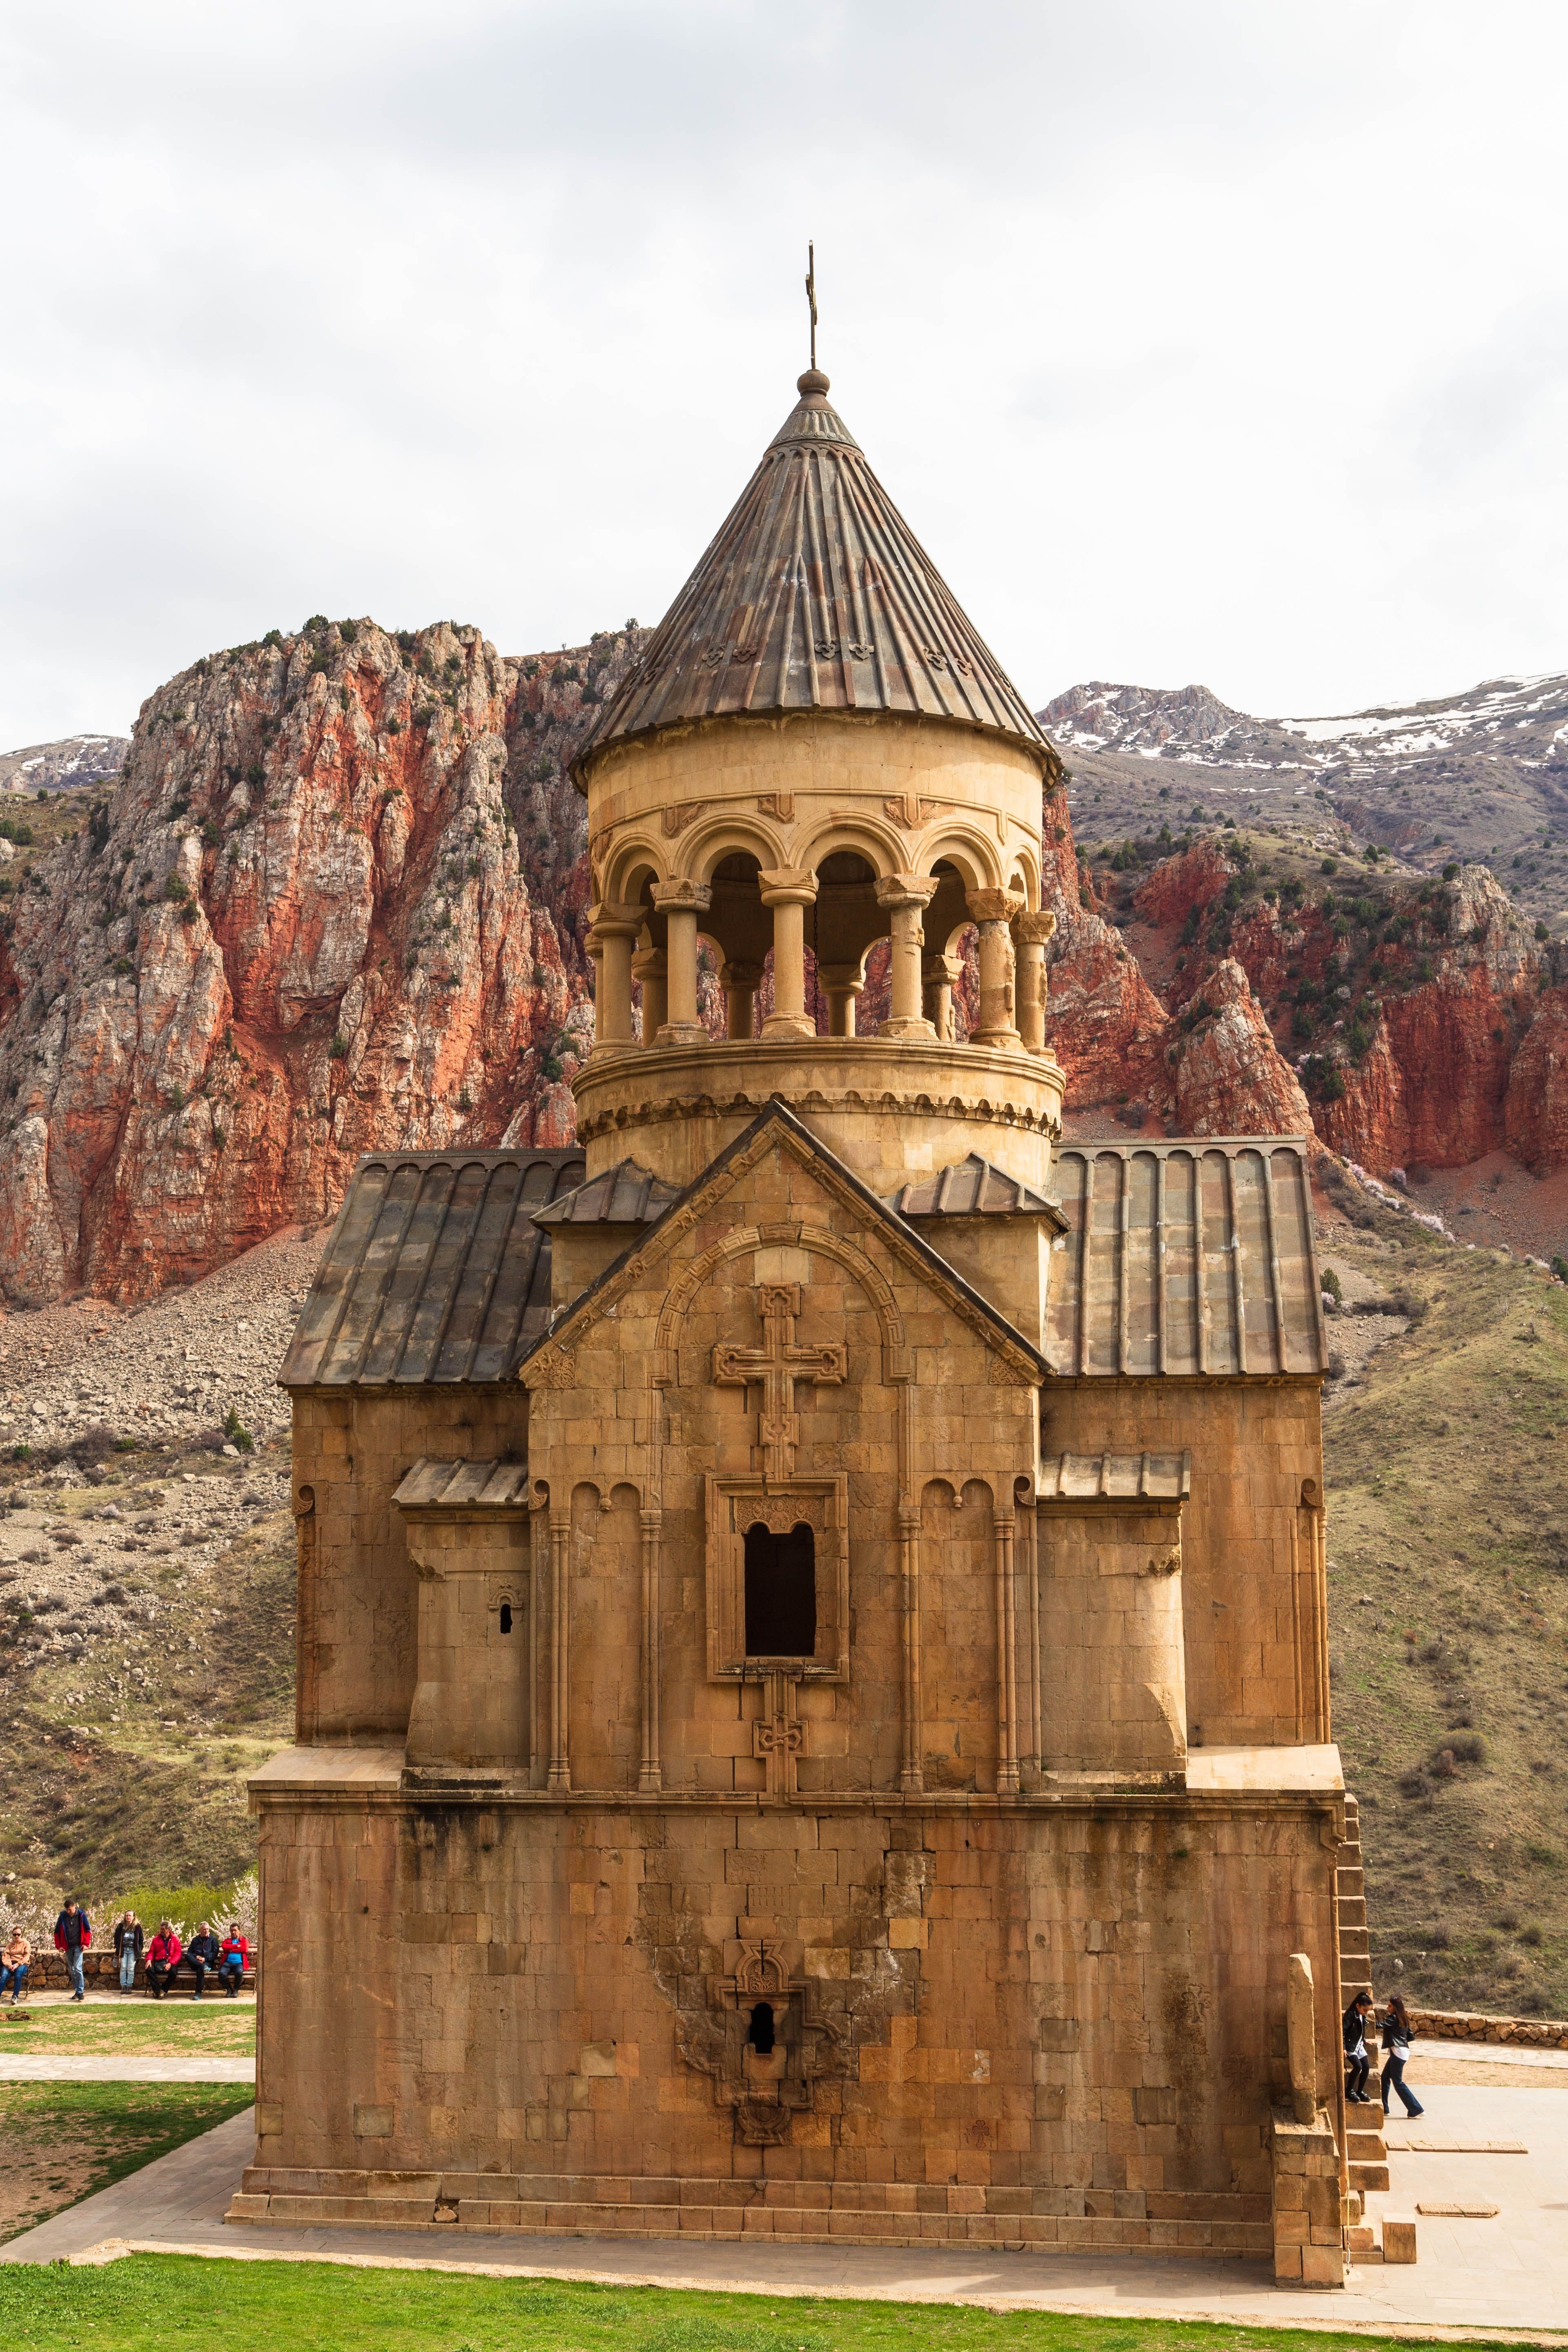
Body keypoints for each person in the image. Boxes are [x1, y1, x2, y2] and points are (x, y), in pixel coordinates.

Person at [1381, 1993, 1425, 2118]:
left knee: (1398, 2082)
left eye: (1390, 2006)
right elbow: (1410, 2036)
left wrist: (1363, 2022)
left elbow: (1380, 2025)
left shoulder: (1393, 2018)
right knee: (1385, 2078)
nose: (1388, 2008)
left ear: (1395, 2007)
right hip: (1403, 2052)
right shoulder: (1403, 2018)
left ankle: (1416, 2109)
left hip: (1398, 2054)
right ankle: (1385, 2109)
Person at [53, 1900, 91, 2002]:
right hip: (67, 1946)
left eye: (69, 1909)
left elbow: (88, 1930)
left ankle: (81, 1992)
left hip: (79, 1946)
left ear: (75, 1906)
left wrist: (86, 1944)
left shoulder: (82, 1915)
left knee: (78, 1968)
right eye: (66, 1910)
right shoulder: (62, 1916)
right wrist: (59, 1946)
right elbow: (57, 1932)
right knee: (72, 1970)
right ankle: (78, 1991)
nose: (68, 1912)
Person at [1343, 1990, 1374, 2103]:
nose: (1366, 2013)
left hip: (1359, 2046)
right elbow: (1343, 2031)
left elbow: (1360, 2030)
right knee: (1358, 2067)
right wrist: (1343, 2048)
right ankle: (1349, 2090)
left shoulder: (1361, 2015)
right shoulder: (1351, 2015)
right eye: (1364, 2010)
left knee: (1366, 2067)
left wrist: (1364, 2040)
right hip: (1350, 2046)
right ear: (1358, 2006)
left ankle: (1360, 2091)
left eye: (1367, 2011)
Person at [146, 1920, 182, 1999]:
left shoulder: (175, 1939)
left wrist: (171, 1963)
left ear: (168, 1929)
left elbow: (178, 1953)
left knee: (173, 1972)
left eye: (163, 1929)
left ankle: (163, 1990)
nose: (161, 1931)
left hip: (171, 1962)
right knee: (149, 1970)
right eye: (161, 1929)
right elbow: (151, 1952)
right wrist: (149, 1960)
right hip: (159, 1962)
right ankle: (158, 1991)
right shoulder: (156, 1940)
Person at [186, 1920, 220, 2000]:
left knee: (201, 1969)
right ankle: (201, 1966)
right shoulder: (195, 1940)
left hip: (207, 1963)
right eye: (204, 1929)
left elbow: (215, 1953)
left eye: (208, 1929)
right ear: (200, 1930)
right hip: (195, 1962)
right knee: (188, 1956)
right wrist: (196, 1957)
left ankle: (198, 1993)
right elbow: (190, 1952)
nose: (206, 1931)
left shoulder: (213, 1939)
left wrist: (205, 1959)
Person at [113, 1911, 144, 1994]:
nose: (128, 1917)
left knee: (130, 1968)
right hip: (123, 1950)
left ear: (134, 1917)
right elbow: (116, 1937)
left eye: (130, 1916)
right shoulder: (121, 1926)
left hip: (133, 1950)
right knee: (123, 1968)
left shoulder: (137, 1927)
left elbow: (141, 1940)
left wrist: (139, 1949)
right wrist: (117, 1946)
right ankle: (123, 1986)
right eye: (127, 1916)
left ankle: (129, 1986)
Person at [0, 1927, 30, 2005]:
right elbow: (5, 1956)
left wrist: (17, 1965)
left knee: (18, 1976)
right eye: (15, 1935)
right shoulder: (10, 1945)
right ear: (13, 1935)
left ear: (21, 1934)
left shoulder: (26, 1944)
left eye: (18, 1934)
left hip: (22, 1964)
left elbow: (26, 1957)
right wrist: (9, 1965)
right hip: (10, 1964)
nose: (17, 1936)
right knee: (4, 1976)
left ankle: (15, 1996)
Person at [217, 1924, 249, 1996]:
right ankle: (229, 1989)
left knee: (239, 1973)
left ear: (240, 1931)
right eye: (232, 1931)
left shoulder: (244, 1940)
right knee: (221, 1974)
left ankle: (236, 1990)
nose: (233, 1932)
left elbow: (244, 1949)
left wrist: (231, 1950)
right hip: (228, 1963)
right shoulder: (227, 1941)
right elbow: (225, 1947)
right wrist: (236, 1946)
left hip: (239, 1963)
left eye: (235, 1930)